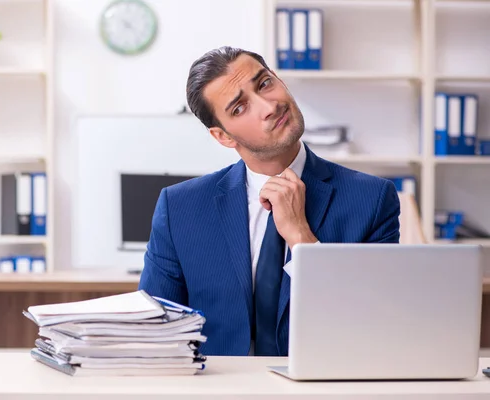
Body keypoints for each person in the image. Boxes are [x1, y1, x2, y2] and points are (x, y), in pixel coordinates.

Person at [138, 46, 400, 357]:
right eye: (239, 108)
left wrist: (302, 240)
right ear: (223, 137)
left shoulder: (371, 199)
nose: (269, 106)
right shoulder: (180, 208)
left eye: (264, 84)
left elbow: (375, 328)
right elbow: (154, 335)